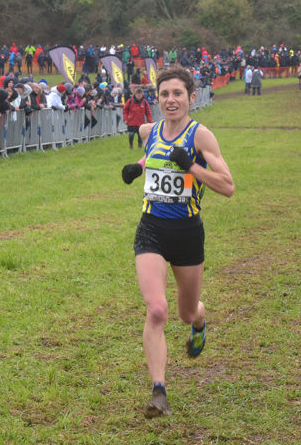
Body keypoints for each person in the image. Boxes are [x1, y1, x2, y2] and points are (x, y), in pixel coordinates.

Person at [120, 67, 234, 419]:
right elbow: (157, 156)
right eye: (165, 94)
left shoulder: (201, 136)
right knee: (157, 309)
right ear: (158, 98)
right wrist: (139, 166)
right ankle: (159, 391)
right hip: (151, 229)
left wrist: (192, 167)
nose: (171, 100)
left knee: (186, 313)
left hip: (187, 233)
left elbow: (228, 186)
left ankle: (200, 320)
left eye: (178, 94)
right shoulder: (148, 131)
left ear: (190, 97)